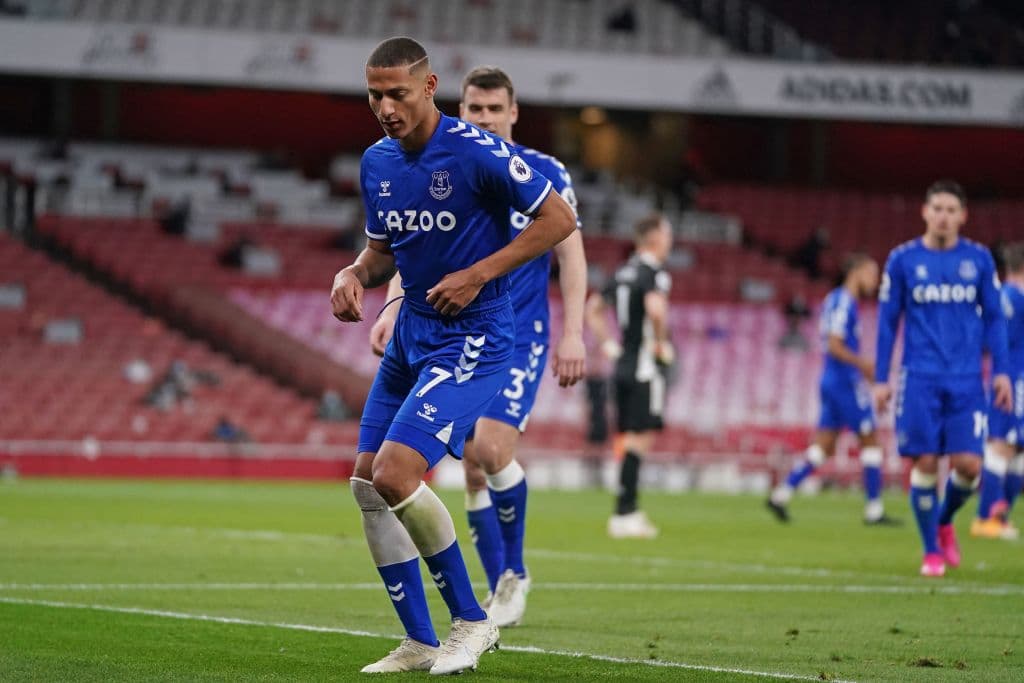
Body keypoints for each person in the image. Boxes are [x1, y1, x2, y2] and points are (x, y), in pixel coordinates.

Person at [331, 38, 576, 674]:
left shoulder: (476, 153)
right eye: (374, 94)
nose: (385, 106)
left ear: (430, 86)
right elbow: (386, 247)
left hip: (477, 335)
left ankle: (473, 622)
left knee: (395, 474)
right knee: (366, 484)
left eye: (397, 94)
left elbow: (559, 220)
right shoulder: (376, 163)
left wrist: (477, 273)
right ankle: (418, 640)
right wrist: (355, 272)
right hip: (414, 333)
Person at [873, 180, 1012, 578]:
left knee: (969, 466)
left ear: (963, 216)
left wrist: (1001, 370)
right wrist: (881, 378)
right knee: (927, 461)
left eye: (952, 209)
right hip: (919, 378)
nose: (944, 216)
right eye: (938, 208)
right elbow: (887, 323)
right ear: (925, 211)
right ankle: (931, 551)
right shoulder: (902, 260)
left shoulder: (979, 259)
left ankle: (944, 519)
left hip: (968, 380)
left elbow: (996, 319)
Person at [767, 254, 899, 525]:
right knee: (870, 440)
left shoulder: (834, 300)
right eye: (871, 274)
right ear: (857, 271)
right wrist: (863, 364)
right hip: (844, 382)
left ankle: (780, 494)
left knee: (823, 447)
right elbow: (835, 344)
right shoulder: (843, 302)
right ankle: (874, 510)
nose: (874, 282)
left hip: (831, 380)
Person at [585, 213, 674, 539]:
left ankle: (625, 510)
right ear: (654, 238)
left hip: (621, 364)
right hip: (644, 367)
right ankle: (626, 512)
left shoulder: (622, 272)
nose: (670, 242)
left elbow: (592, 309)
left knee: (628, 439)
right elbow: (655, 310)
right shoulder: (653, 273)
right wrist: (662, 344)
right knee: (640, 439)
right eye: (666, 236)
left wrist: (608, 344)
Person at [972, 242, 1024, 540]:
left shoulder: (1000, 297)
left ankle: (999, 517)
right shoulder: (1016, 297)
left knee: (1017, 452)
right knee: (1003, 445)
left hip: (1009, 375)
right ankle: (984, 518)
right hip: (1014, 379)